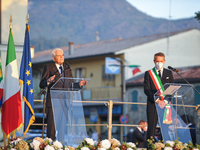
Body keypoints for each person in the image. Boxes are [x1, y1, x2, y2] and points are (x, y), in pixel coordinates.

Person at [39, 48, 86, 140]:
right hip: (53, 102)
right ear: (53, 58)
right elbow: (41, 84)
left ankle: (60, 146)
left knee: (62, 129)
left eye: (63, 55)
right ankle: (50, 146)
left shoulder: (67, 68)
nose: (61, 57)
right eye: (59, 55)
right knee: (51, 129)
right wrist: (48, 80)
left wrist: (79, 85)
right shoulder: (48, 67)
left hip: (65, 102)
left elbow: (71, 85)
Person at [144, 52, 174, 144]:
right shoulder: (149, 73)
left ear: (164, 61)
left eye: (161, 61)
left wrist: (164, 101)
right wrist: (157, 100)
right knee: (151, 129)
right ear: (154, 61)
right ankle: (150, 147)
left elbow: (171, 89)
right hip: (153, 105)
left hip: (165, 105)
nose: (159, 63)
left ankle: (163, 146)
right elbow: (147, 90)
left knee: (165, 129)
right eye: (157, 61)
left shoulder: (169, 73)